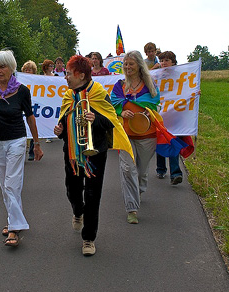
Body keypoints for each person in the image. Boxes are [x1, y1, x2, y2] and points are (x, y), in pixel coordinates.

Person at [54, 55, 132, 256]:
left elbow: (111, 121)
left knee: (92, 194)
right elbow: (64, 122)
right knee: (72, 189)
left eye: (68, 74)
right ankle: (77, 211)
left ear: (80, 75)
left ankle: (89, 238)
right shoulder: (68, 95)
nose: (66, 78)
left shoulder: (98, 93)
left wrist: (95, 118)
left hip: (95, 151)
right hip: (71, 152)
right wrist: (60, 130)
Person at [0, 50, 44, 247]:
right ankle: (13, 220)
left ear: (12, 68)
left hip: (16, 140)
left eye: (2, 66)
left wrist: (37, 144)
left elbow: (30, 117)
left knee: (11, 184)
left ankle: (14, 229)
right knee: (5, 184)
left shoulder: (22, 90)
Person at [110, 50, 161, 224]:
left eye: (131, 63)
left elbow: (155, 102)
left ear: (139, 65)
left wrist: (143, 109)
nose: (127, 66)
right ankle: (131, 208)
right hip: (125, 135)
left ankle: (138, 190)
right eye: (125, 63)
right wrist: (122, 111)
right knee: (127, 169)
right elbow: (112, 103)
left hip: (147, 135)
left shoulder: (149, 85)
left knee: (141, 171)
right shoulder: (119, 85)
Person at [155, 51, 183, 185]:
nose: (163, 63)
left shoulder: (180, 77)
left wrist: (195, 93)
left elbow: (186, 90)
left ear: (173, 62)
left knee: (173, 142)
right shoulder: (156, 77)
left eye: (166, 60)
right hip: (160, 115)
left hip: (174, 115)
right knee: (160, 141)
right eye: (161, 60)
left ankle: (175, 173)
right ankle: (161, 168)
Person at [21, 60, 38, 161]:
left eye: (30, 70)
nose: (28, 71)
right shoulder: (19, 81)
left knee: (33, 128)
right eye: (26, 70)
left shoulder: (37, 81)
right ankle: (22, 152)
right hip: (23, 107)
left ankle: (32, 151)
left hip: (34, 107)